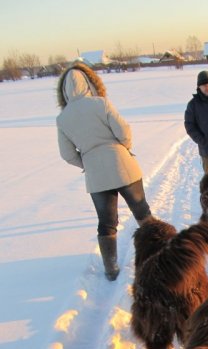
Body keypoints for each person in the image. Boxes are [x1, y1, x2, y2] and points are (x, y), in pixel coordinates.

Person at [56, 62, 153, 281]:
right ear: (89, 82)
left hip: (96, 176)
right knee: (142, 211)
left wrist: (87, 163)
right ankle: (158, 254)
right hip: (122, 165)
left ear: (63, 91)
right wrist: (123, 149)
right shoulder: (100, 103)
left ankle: (111, 269)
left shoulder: (62, 119)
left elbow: (67, 154)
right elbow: (124, 131)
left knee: (107, 223)